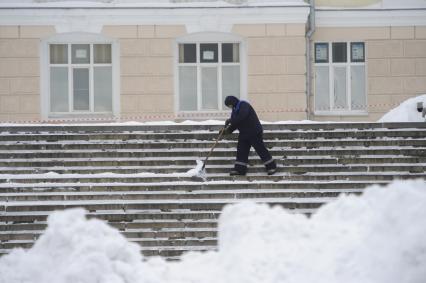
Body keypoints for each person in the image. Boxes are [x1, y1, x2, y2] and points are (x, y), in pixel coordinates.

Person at [222, 95, 277, 176]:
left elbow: (242, 116)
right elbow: (236, 123)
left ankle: (271, 167)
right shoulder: (234, 110)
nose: (230, 107)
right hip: (244, 133)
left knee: (260, 149)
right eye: (228, 106)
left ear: (233, 102)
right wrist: (227, 130)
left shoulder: (244, 105)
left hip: (254, 131)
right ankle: (240, 170)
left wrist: (230, 120)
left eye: (229, 105)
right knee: (241, 151)